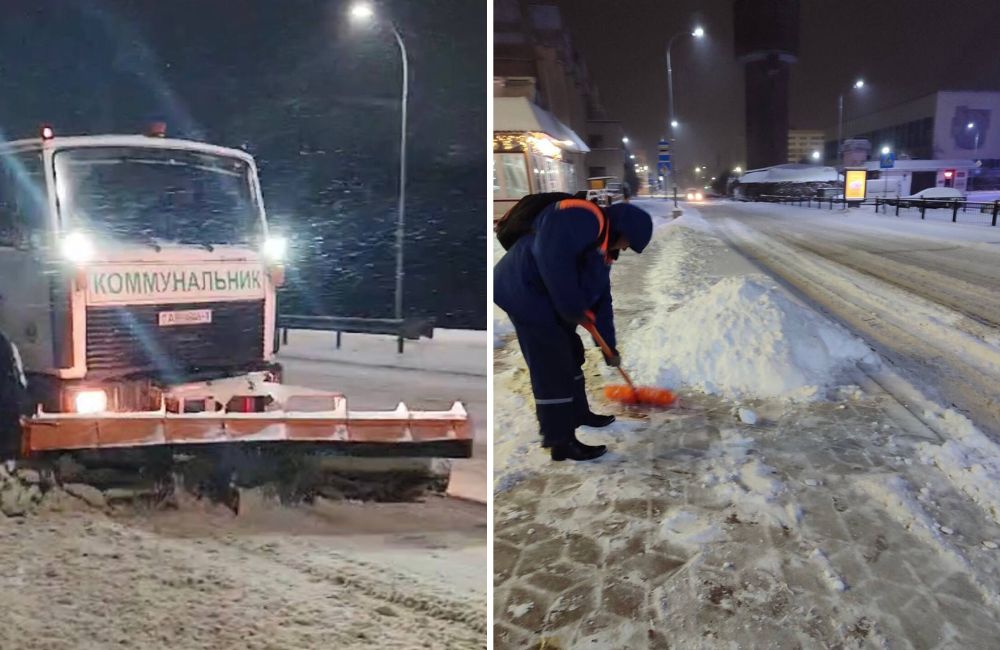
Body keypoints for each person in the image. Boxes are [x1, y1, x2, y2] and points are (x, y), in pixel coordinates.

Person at [494, 198, 653, 461]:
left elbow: (602, 300)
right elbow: (551, 256)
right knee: (552, 366)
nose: (625, 250)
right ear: (623, 231)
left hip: (547, 298)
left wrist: (608, 347)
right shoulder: (581, 216)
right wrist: (572, 305)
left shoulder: (600, 248)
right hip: (524, 292)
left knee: (572, 354)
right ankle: (560, 441)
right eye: (628, 244)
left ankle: (579, 413)